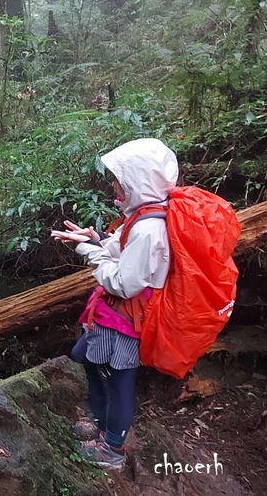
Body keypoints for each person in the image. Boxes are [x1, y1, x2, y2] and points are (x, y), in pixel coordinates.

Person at [51, 138, 177, 471]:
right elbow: (123, 254)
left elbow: (124, 282)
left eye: (119, 178)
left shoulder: (150, 228)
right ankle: (98, 420)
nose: (114, 184)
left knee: (120, 379)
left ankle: (113, 447)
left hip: (126, 319)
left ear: (137, 181)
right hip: (114, 316)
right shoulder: (144, 218)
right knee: (83, 358)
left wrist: (88, 252)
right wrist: (95, 240)